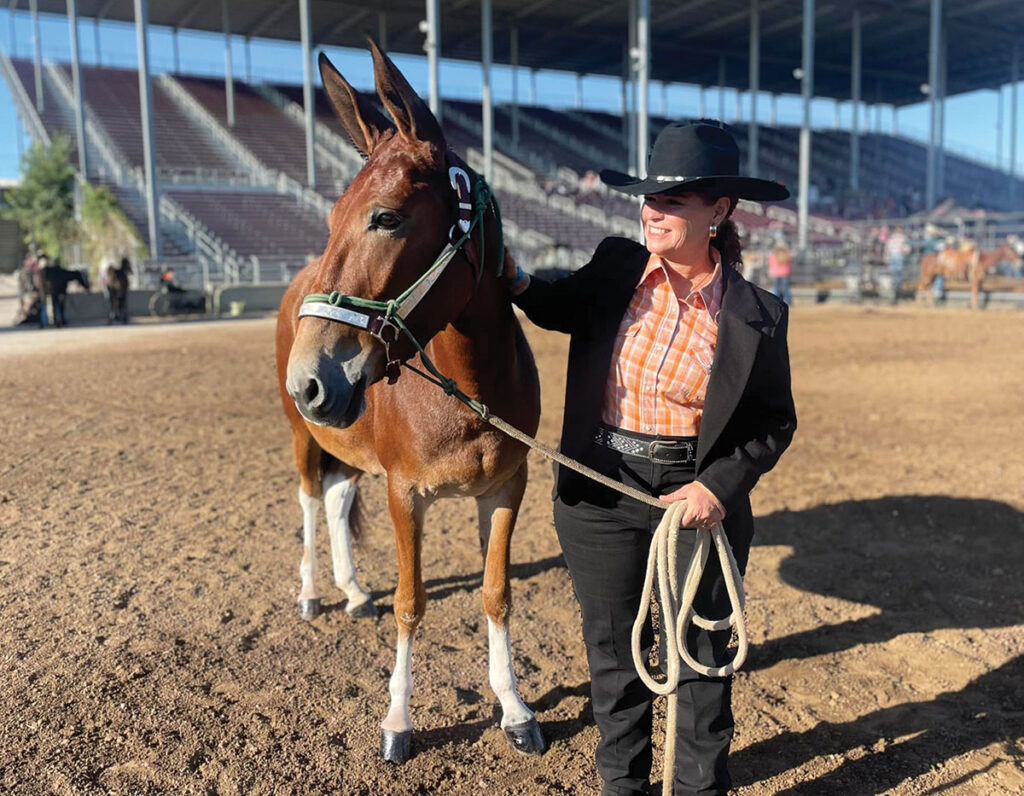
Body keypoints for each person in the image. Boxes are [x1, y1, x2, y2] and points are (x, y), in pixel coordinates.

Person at [506, 121, 796, 796]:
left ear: (718, 213)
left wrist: (716, 489)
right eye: (648, 198)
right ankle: (623, 786)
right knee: (614, 658)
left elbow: (773, 422)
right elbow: (554, 305)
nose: (651, 211)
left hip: (697, 503)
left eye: (671, 203)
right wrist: (511, 276)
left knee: (701, 659)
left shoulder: (761, 314)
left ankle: (700, 788)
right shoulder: (615, 267)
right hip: (602, 492)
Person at [884, 226, 910, 303]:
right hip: (897, 256)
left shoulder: (894, 238)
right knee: (897, 275)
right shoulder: (903, 238)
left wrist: (886, 256)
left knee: (894, 275)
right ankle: (895, 292)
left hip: (895, 256)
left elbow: (888, 248)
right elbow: (907, 249)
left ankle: (895, 292)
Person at [767, 239, 793, 305]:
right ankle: (788, 303)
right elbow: (791, 259)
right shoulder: (787, 254)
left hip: (775, 273)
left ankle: (776, 303)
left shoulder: (772, 254)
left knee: (776, 289)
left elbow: (769, 262)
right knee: (786, 289)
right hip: (785, 273)